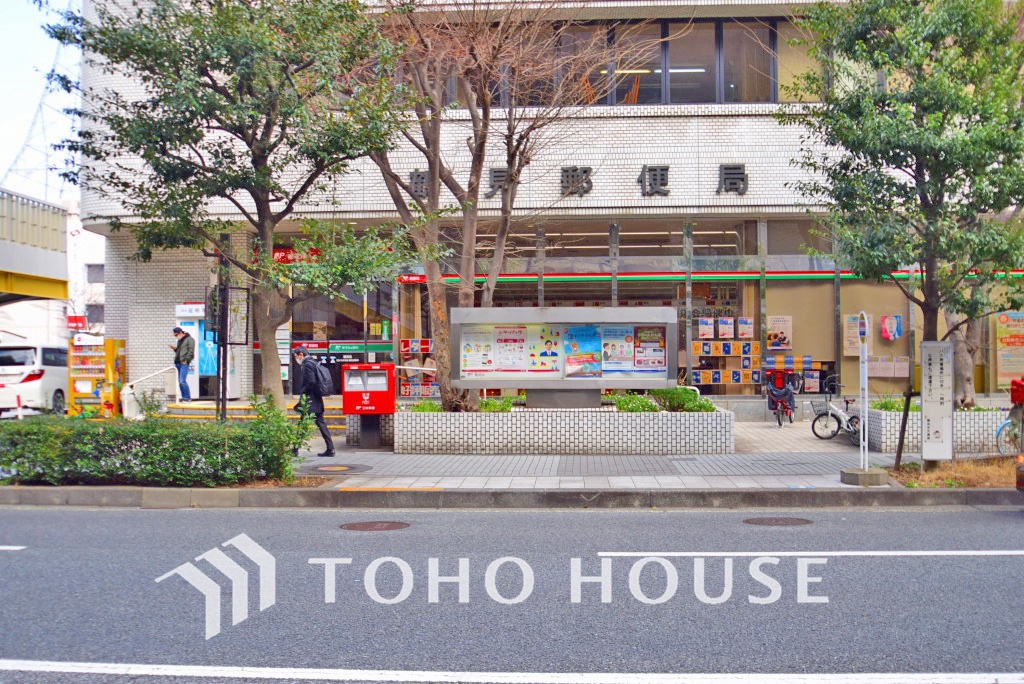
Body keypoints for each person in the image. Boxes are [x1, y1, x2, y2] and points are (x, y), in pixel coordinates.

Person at [293, 346, 335, 457]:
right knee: (321, 423)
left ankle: (295, 449)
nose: (296, 359)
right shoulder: (313, 363)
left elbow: (310, 382)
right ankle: (330, 448)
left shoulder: (307, 364)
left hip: (309, 400)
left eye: (296, 356)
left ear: (301, 354)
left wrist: (303, 393)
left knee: (302, 425)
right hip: (317, 399)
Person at [169, 326, 195, 402]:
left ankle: (187, 398)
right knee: (180, 382)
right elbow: (180, 352)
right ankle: (184, 398)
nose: (176, 336)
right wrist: (175, 349)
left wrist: (186, 360)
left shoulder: (190, 339)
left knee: (182, 381)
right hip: (178, 363)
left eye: (176, 334)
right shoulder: (179, 341)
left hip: (184, 363)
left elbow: (191, 351)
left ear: (181, 332)